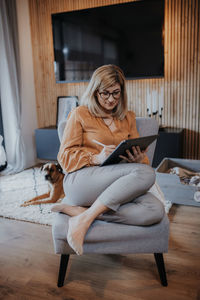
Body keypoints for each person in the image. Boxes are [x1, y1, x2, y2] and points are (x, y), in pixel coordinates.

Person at [52, 64, 165, 255]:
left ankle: (84, 213)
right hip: (82, 181)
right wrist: (97, 157)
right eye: (105, 93)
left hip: (116, 184)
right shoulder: (80, 114)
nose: (111, 99)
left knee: (155, 210)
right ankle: (85, 220)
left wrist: (139, 158)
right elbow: (64, 158)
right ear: (95, 91)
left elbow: (141, 164)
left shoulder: (127, 117)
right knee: (146, 173)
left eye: (116, 93)